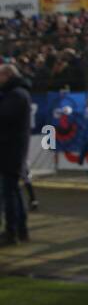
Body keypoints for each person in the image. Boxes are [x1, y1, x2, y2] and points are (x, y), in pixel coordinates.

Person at [0, 63, 32, 245]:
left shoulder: (16, 95)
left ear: (7, 76)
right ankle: (20, 229)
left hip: (10, 150)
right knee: (13, 191)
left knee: (9, 193)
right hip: (11, 150)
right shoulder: (16, 94)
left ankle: (12, 231)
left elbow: (4, 118)